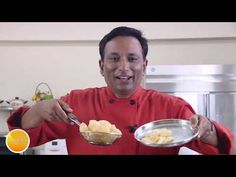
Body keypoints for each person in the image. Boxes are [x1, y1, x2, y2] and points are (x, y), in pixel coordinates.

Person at [7, 26, 233, 155]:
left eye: (132, 59)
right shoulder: (75, 103)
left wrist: (207, 127)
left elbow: (220, 147)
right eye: (114, 58)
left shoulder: (171, 106)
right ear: (101, 66)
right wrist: (36, 111)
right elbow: (19, 143)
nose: (123, 67)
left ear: (144, 65)